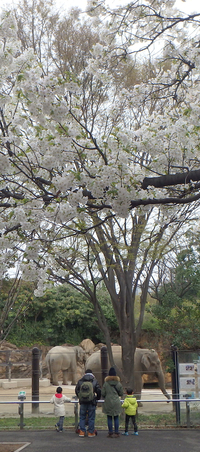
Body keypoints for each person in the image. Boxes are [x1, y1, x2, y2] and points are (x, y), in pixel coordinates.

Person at [75, 368, 101, 438]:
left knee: (82, 417)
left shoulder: (80, 381)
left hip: (83, 402)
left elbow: (76, 390)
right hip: (91, 402)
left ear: (85, 374)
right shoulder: (94, 381)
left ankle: (82, 432)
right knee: (91, 418)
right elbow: (98, 390)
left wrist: (80, 397)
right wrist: (96, 398)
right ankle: (90, 432)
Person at [101, 366, 124, 438]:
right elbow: (121, 393)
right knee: (116, 417)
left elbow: (103, 393)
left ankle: (110, 432)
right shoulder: (118, 383)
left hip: (108, 401)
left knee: (109, 417)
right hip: (116, 401)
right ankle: (117, 432)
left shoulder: (106, 384)